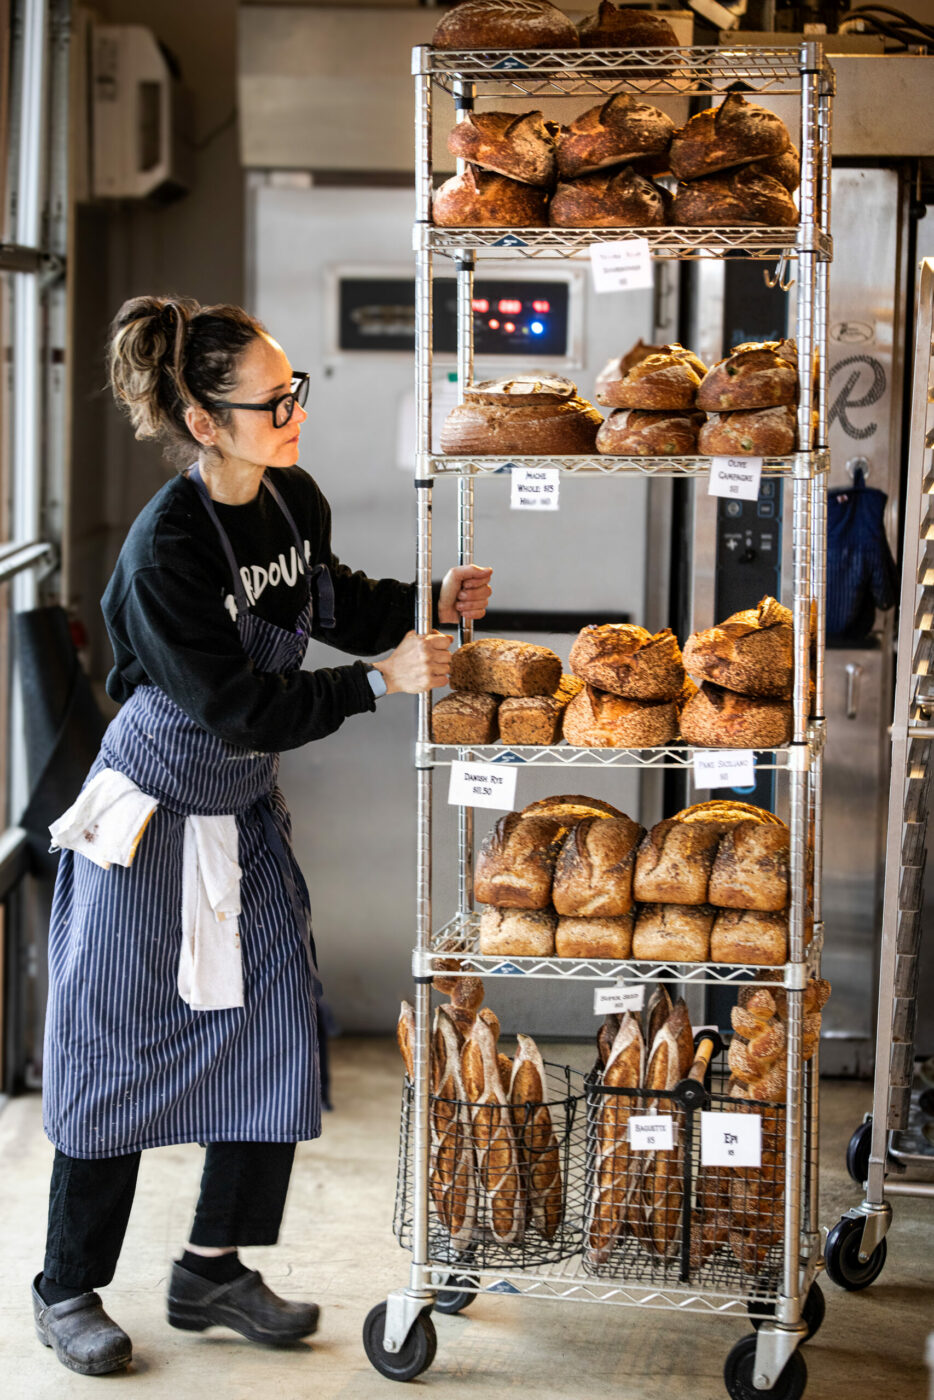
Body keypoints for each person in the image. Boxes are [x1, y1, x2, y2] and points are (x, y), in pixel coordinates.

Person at [32, 296, 492, 1376]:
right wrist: (377, 683)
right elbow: (240, 705)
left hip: (238, 810)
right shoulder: (168, 551)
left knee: (277, 1030)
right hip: (149, 821)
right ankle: (66, 1285)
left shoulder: (291, 499)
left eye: (295, 392)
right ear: (204, 422)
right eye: (272, 401)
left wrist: (426, 604)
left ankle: (212, 1266)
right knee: (115, 1049)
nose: (295, 413)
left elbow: (330, 602)